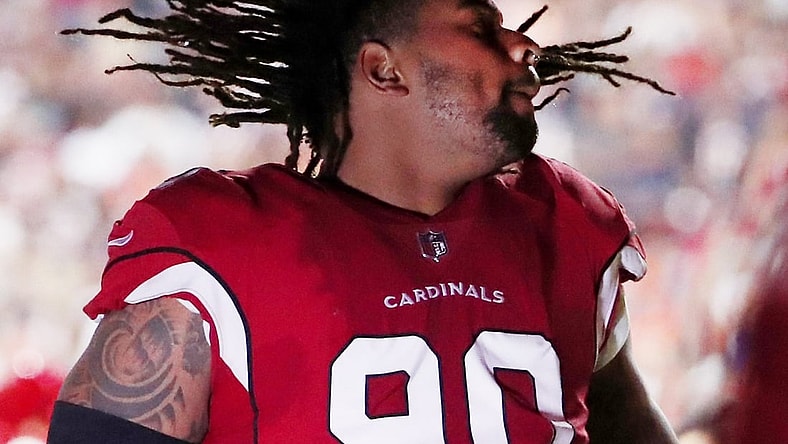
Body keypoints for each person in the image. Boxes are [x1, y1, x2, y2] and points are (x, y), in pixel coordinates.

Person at [48, 0, 679, 442]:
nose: (524, 45)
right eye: (480, 27)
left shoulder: (564, 219)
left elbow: (624, 425)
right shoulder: (221, 243)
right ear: (384, 70)